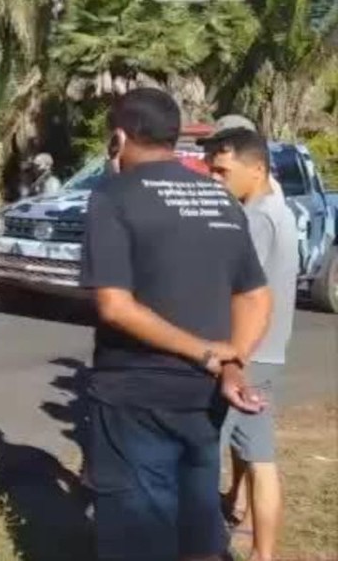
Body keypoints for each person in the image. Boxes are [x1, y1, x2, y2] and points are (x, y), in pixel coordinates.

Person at [79, 88, 272, 561]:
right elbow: (255, 295)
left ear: (118, 138)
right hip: (204, 399)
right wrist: (232, 363)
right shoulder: (220, 198)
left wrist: (209, 352)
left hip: (134, 397)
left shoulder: (112, 195)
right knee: (198, 530)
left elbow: (115, 306)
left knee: (138, 538)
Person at [203, 128, 298, 561]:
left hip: (247, 354)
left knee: (204, 456)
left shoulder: (256, 219)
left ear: (256, 169)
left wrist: (230, 357)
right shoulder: (276, 206)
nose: (215, 178)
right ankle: (264, 553)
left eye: (223, 171)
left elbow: (243, 291)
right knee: (261, 459)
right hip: (269, 351)